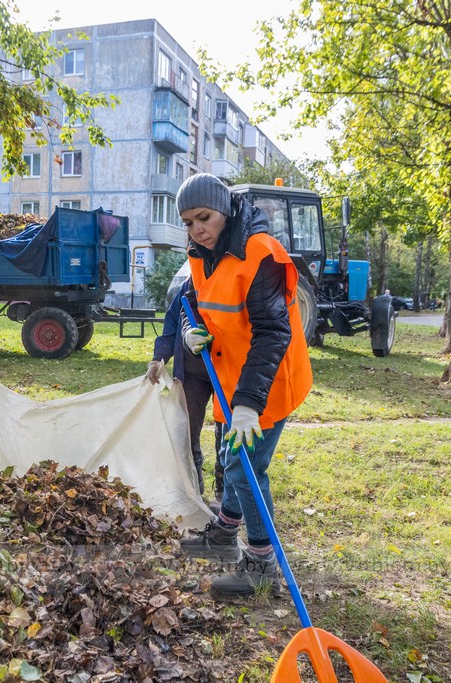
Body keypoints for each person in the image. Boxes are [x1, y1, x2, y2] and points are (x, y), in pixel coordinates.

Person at [175, 173, 313, 598]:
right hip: (232, 378)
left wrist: (250, 404)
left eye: (205, 217)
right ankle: (223, 536)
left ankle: (259, 563)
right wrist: (189, 329)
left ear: (227, 211)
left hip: (269, 382)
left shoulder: (261, 255)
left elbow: (273, 333)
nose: (198, 228)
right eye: (189, 222)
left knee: (246, 467)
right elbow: (193, 302)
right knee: (230, 457)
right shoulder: (201, 253)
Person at [145, 279, 225, 502]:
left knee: (227, 431)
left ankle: (224, 488)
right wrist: (158, 358)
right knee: (187, 428)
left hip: (226, 371)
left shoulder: (231, 279)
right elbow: (171, 325)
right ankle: (193, 485)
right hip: (192, 372)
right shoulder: (189, 283)